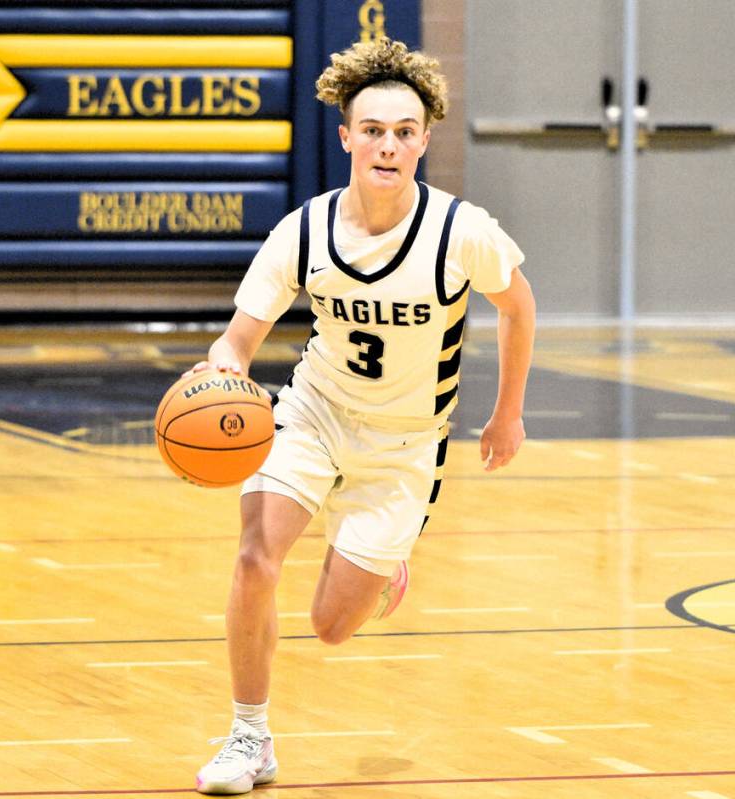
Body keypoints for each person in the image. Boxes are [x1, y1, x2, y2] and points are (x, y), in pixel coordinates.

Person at [190, 38, 535, 795]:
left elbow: (518, 306)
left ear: (424, 140)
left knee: (330, 625)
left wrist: (507, 414)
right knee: (254, 559)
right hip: (313, 414)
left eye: (404, 131)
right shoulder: (305, 231)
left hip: (404, 446)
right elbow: (237, 339)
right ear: (345, 135)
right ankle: (250, 738)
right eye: (372, 129)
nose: (388, 144)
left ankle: (385, 560)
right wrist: (225, 370)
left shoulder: (460, 231)